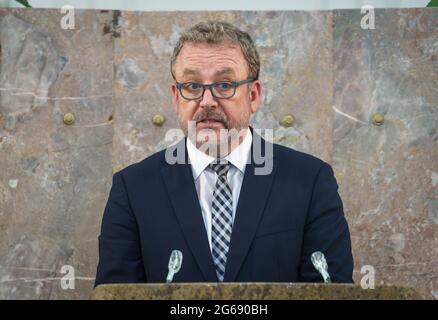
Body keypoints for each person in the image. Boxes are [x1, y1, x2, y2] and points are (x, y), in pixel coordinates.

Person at [95, 21, 353, 286]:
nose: (207, 101)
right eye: (193, 86)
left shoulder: (310, 182)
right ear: (176, 97)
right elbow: (115, 292)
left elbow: (330, 288)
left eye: (225, 84)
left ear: (253, 95)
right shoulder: (133, 188)